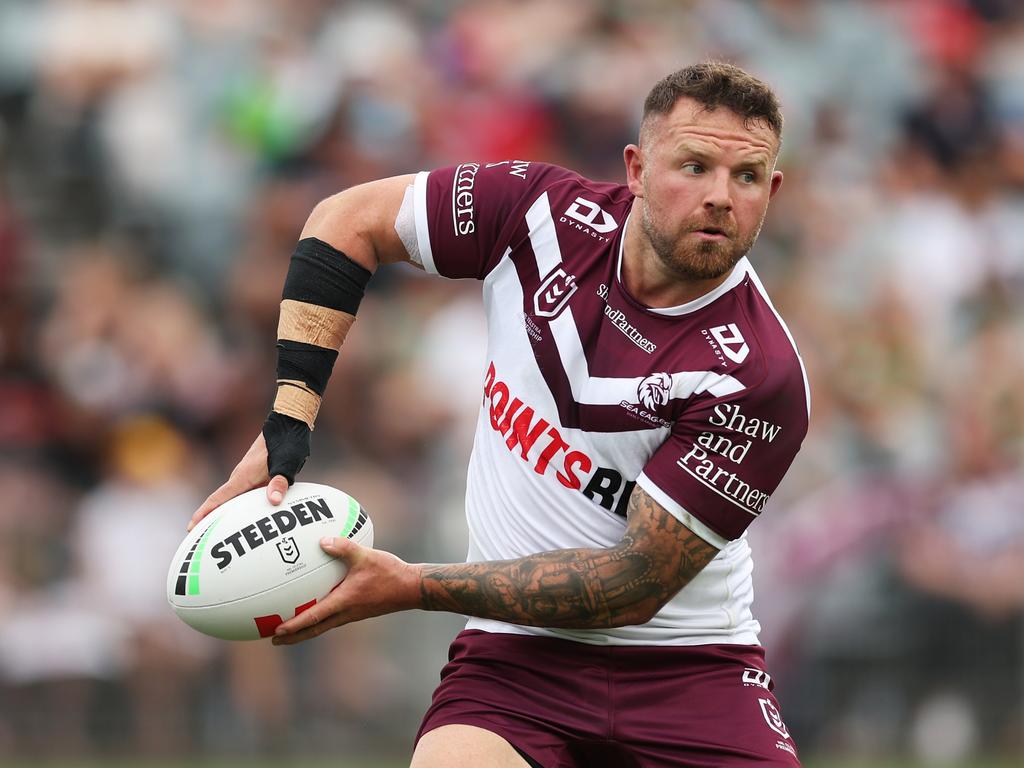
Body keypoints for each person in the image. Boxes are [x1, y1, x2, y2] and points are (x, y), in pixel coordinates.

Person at [189, 61, 810, 767]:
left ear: (773, 190)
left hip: (692, 671)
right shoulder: (536, 214)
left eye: (747, 177)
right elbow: (345, 222)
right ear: (636, 168)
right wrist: (288, 422)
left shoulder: (758, 374)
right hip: (516, 663)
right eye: (694, 166)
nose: (720, 198)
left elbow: (633, 584)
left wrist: (415, 586)